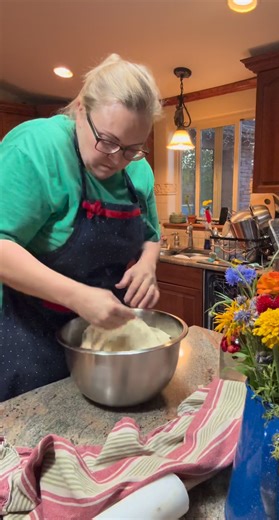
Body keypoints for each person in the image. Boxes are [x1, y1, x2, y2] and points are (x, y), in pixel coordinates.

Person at [0, 53, 163, 401]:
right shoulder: (36, 148)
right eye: (107, 141)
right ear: (78, 109)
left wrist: (148, 264)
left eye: (132, 148)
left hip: (105, 343)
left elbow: (151, 236)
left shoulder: (139, 170)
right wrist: (78, 296)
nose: (117, 159)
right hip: (30, 336)